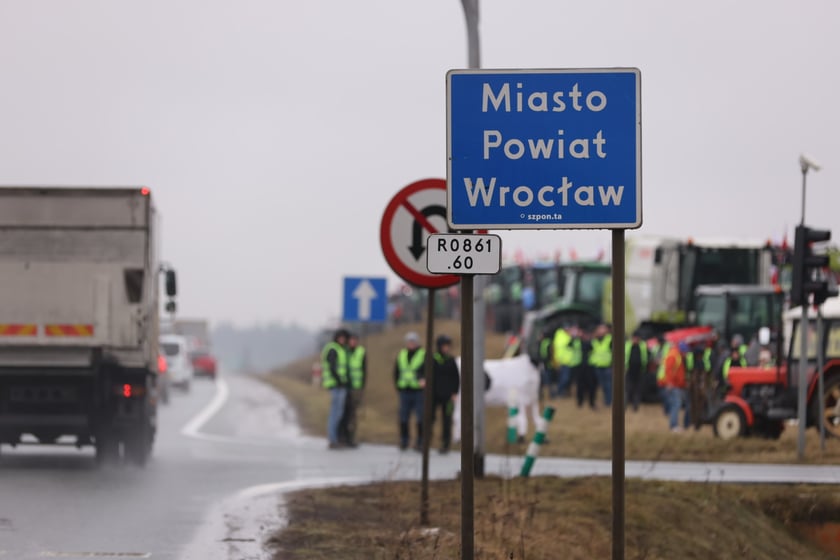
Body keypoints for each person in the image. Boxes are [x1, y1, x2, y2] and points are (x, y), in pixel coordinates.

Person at [393, 331, 426, 451]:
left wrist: (424, 380)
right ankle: (404, 440)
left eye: (413, 342)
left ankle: (420, 441)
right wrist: (398, 385)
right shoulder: (401, 354)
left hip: (418, 391)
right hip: (404, 390)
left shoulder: (423, 354)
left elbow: (427, 370)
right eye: (409, 342)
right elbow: (396, 371)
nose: (411, 344)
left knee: (420, 417)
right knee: (403, 417)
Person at [431, 334, 460, 454]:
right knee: (429, 418)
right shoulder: (433, 359)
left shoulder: (451, 360)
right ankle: (425, 440)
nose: (446, 348)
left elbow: (456, 378)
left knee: (447, 420)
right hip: (433, 395)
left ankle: (445, 443)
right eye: (444, 346)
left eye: (448, 346)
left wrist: (454, 392)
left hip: (448, 396)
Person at [321, 328, 349, 449]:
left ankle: (336, 438)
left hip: (340, 385)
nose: (342, 339)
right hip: (336, 385)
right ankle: (333, 439)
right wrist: (339, 381)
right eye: (340, 337)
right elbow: (332, 367)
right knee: (335, 413)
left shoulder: (341, 349)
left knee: (338, 413)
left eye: (344, 337)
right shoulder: (333, 349)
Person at [338, 332, 366, 448]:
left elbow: (364, 370)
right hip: (345, 386)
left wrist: (362, 387)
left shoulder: (361, 352)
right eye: (351, 340)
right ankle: (342, 436)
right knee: (343, 413)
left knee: (352, 414)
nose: (353, 342)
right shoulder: (343, 351)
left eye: (355, 340)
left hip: (356, 388)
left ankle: (351, 438)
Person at [659, 341, 688, 432]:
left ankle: (674, 424)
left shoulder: (676, 355)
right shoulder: (674, 355)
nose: (686, 355)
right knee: (676, 404)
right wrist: (670, 383)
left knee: (675, 403)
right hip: (673, 385)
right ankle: (673, 425)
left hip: (676, 384)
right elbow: (669, 369)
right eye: (686, 352)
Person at [624, 331, 648, 412]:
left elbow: (645, 357)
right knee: (628, 388)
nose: (636, 340)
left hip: (639, 370)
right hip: (629, 370)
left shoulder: (643, 345)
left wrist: (644, 368)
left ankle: (635, 406)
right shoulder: (627, 345)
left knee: (637, 389)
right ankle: (625, 405)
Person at [573, 328, 596, 409]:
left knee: (591, 385)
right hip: (579, 366)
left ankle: (591, 402)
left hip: (590, 366)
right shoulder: (577, 341)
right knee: (580, 385)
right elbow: (570, 344)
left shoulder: (592, 342)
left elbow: (593, 348)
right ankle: (580, 402)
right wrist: (576, 336)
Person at [590, 323, 613, 406]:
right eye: (600, 328)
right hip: (597, 365)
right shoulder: (594, 339)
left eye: (603, 328)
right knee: (602, 384)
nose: (601, 330)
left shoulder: (610, 339)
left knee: (608, 384)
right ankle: (606, 400)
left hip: (607, 366)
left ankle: (609, 401)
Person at [552, 324, 574, 397]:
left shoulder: (560, 336)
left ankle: (561, 391)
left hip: (567, 361)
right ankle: (559, 391)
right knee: (565, 378)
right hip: (563, 361)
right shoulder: (564, 337)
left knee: (564, 378)